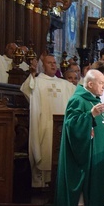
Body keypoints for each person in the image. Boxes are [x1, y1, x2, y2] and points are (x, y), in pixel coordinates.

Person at [53, 69, 104, 206]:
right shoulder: (78, 99)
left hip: (99, 153)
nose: (103, 86)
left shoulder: (96, 99)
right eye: (101, 83)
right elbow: (71, 124)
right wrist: (89, 116)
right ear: (90, 84)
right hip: (85, 154)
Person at [20, 54, 76, 188]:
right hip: (44, 124)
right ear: (43, 65)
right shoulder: (37, 81)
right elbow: (26, 89)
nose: (53, 65)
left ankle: (58, 182)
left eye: (54, 62)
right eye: (49, 63)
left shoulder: (64, 84)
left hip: (60, 126)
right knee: (43, 150)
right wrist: (32, 74)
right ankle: (41, 184)